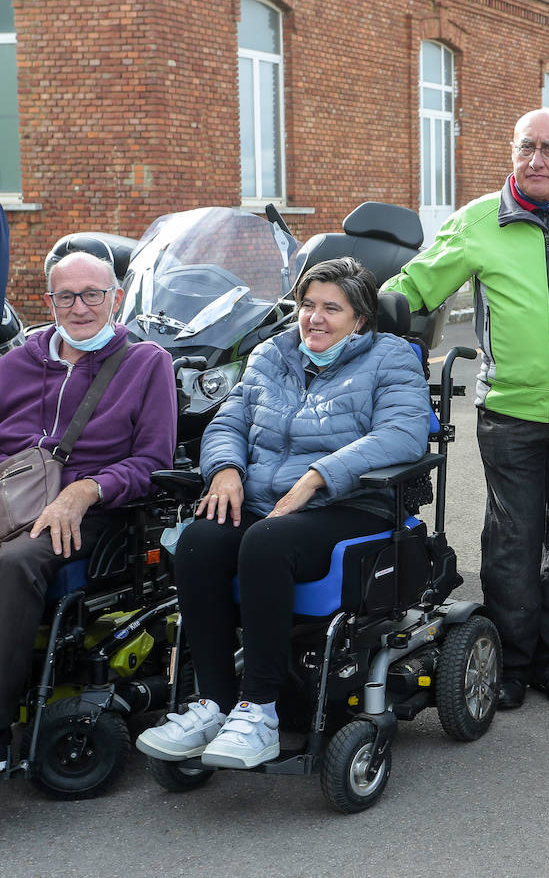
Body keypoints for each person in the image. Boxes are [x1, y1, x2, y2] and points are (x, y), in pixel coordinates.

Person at [380, 108, 549, 711]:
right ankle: (512, 664)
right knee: (511, 544)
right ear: (512, 153)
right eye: (527, 148)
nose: (537, 160)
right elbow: (413, 286)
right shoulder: (476, 222)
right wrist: (347, 305)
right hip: (510, 414)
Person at [136, 257, 430, 768]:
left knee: (266, 543)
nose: (314, 317)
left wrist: (318, 476)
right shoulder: (272, 353)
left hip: (350, 502)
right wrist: (225, 469)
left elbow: (404, 434)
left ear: (359, 318)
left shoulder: (391, 358)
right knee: (199, 542)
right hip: (266, 501)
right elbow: (229, 419)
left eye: (331, 308)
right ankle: (214, 703)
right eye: (307, 305)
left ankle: (260, 711)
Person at [0, 252, 175, 765]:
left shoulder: (146, 363)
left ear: (115, 299)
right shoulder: (15, 363)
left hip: (93, 514)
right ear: (48, 301)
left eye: (92, 294)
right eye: (66, 296)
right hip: (10, 501)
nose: (80, 307)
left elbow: (152, 462)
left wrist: (84, 491)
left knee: (11, 567)